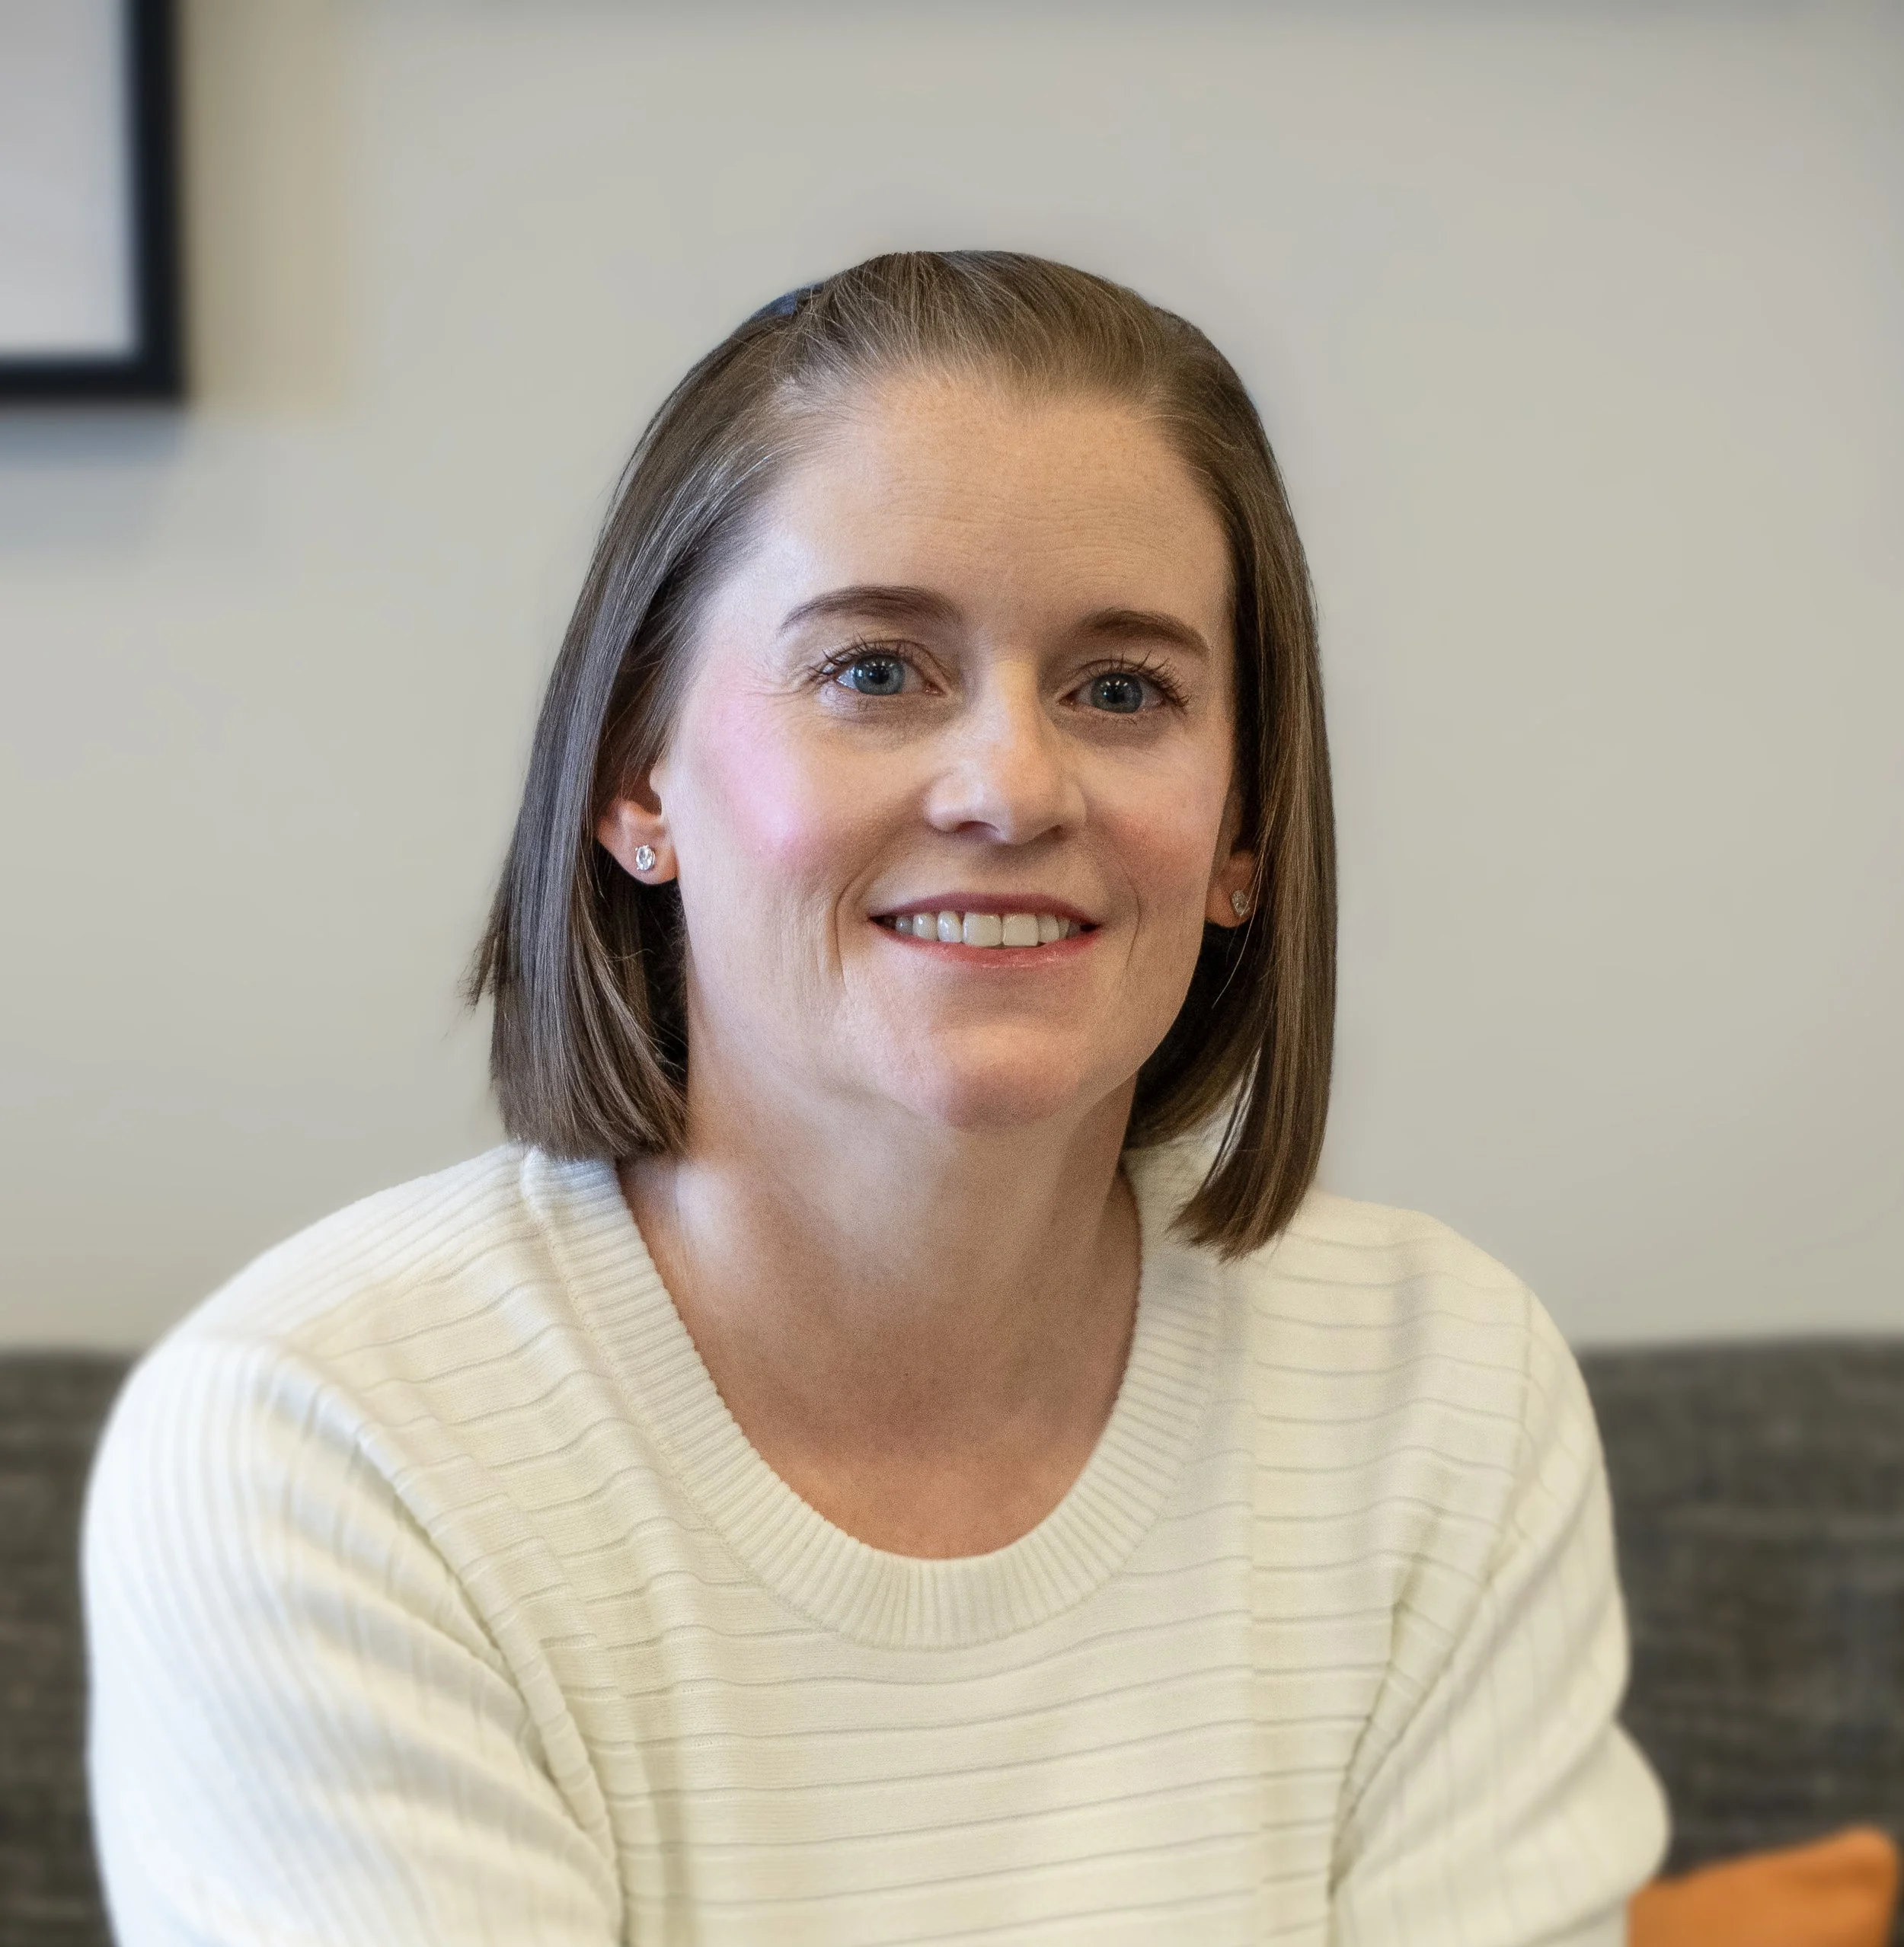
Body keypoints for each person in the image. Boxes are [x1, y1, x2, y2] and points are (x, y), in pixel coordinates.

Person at [84, 251, 1668, 1945]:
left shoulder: (1441, 1391)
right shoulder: (320, 1443)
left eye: (1121, 690)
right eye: (872, 671)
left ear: (1239, 833)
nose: (1007, 784)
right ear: (638, 782)